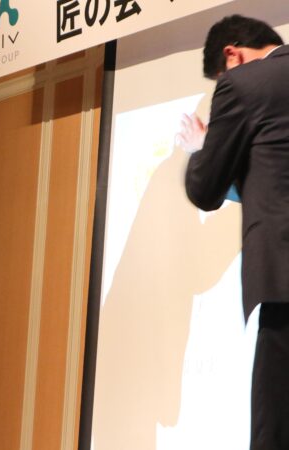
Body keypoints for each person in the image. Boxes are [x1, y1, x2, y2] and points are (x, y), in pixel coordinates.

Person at [178, 15, 289, 450]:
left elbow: (204, 190)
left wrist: (202, 149)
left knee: (274, 431)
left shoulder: (245, 84)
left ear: (232, 55)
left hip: (285, 288)